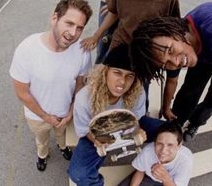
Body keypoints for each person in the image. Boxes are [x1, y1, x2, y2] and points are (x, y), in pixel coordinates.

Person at [130, 1, 212, 141]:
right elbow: (172, 78)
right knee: (191, 90)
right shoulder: (185, 35)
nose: (176, 62)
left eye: (171, 50)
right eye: (165, 63)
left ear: (176, 32)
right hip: (207, 50)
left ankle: (196, 122)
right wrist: (167, 108)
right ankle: (175, 125)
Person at [9, 0, 93, 171]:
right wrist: (46, 117)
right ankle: (42, 155)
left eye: (79, 28)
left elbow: (80, 85)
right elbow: (22, 93)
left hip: (65, 114)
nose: (73, 33)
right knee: (42, 139)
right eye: (69, 23)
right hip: (37, 116)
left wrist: (71, 111)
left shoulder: (82, 51)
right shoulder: (26, 49)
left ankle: (62, 148)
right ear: (54, 18)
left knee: (62, 136)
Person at [68, 44, 163, 186]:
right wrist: (97, 140)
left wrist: (137, 130)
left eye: (129, 76)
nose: (122, 82)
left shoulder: (137, 91)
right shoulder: (84, 98)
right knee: (78, 174)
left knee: (170, 130)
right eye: (117, 73)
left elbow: (137, 118)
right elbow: (84, 130)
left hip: (128, 125)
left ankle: (158, 167)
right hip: (98, 134)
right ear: (105, 71)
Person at [118, 121, 193, 186]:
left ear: (179, 145)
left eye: (170, 145)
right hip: (148, 177)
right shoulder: (148, 151)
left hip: (170, 182)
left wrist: (165, 178)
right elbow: (140, 172)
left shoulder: (186, 160)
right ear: (154, 143)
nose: (163, 151)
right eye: (160, 144)